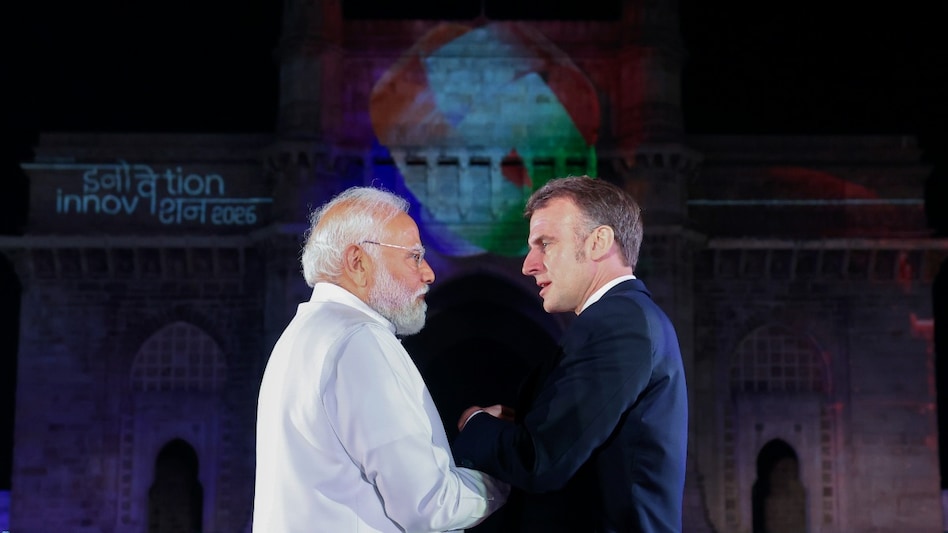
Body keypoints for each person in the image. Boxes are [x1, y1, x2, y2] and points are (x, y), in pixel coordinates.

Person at [252, 186, 508, 532]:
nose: (428, 273)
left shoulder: (302, 334)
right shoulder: (359, 340)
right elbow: (429, 504)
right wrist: (504, 469)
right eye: (414, 256)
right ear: (358, 262)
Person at [452, 176, 688, 532]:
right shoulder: (621, 319)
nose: (528, 265)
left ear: (598, 242)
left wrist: (475, 422)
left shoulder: (619, 323)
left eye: (545, 244)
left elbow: (541, 461)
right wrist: (523, 422)